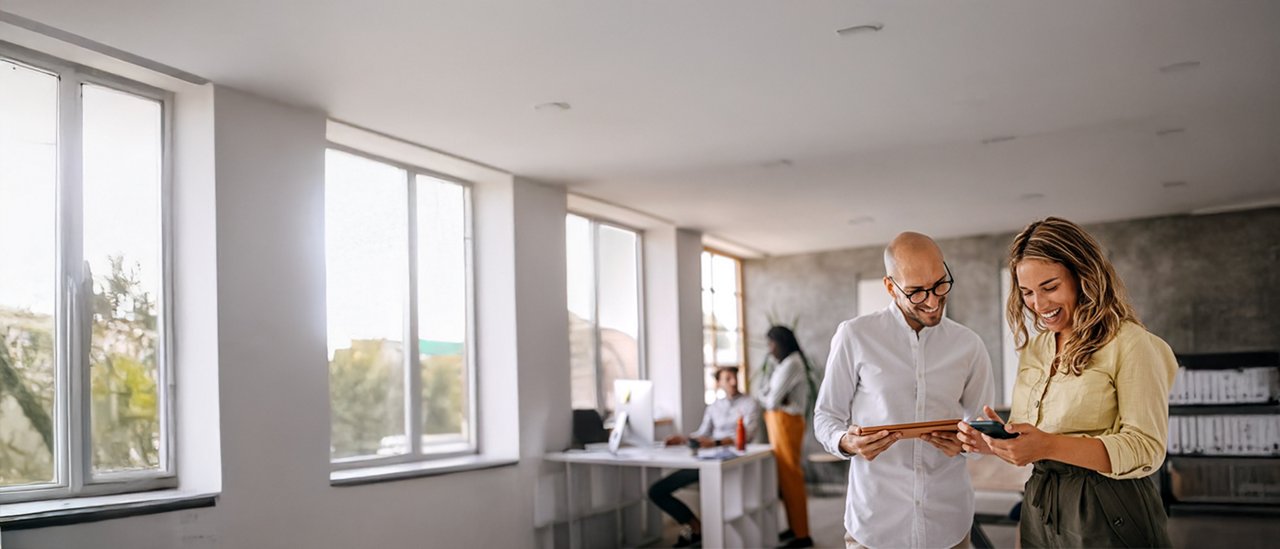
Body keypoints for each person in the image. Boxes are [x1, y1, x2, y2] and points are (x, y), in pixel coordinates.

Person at [956, 217, 1176, 548]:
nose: (1039, 305)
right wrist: (997, 443)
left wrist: (1047, 445)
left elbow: (1146, 448)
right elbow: (1037, 437)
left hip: (1108, 505)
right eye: (1027, 292)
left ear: (1082, 276)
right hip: (1041, 502)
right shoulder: (1036, 348)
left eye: (1050, 287)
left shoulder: (1130, 343)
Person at [813, 232, 995, 549]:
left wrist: (967, 443)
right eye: (916, 292)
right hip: (875, 524)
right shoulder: (855, 335)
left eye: (940, 284)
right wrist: (847, 441)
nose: (933, 300)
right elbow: (826, 416)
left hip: (949, 522)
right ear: (890, 287)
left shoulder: (969, 345)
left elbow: (982, 424)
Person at [648, 366, 759, 547]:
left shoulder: (749, 403)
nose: (733, 382)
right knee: (657, 491)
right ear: (719, 383)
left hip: (731, 461)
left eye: (734, 377)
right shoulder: (714, 407)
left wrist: (715, 443)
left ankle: (711, 536)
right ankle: (696, 527)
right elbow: (702, 433)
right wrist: (683, 439)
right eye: (728, 378)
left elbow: (747, 435)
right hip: (707, 461)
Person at [758, 325, 815, 548]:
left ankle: (802, 534)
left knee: (791, 476)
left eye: (772, 343)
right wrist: (771, 397)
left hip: (786, 422)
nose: (770, 349)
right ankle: (795, 528)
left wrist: (770, 398)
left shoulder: (792, 363)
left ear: (781, 342)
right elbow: (767, 394)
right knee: (785, 477)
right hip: (780, 421)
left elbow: (769, 399)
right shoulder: (783, 364)